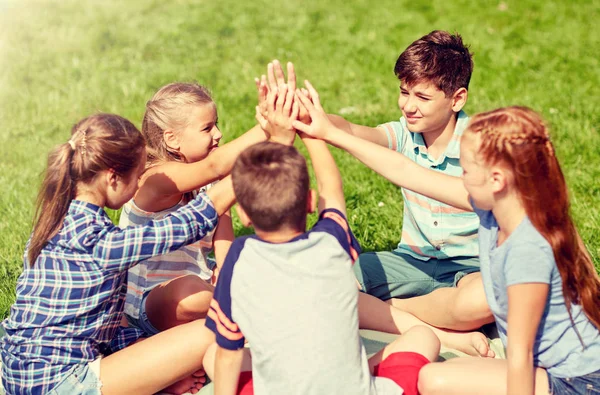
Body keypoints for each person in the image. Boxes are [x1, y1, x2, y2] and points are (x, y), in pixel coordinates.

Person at [297, 102, 600, 393]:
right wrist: (329, 133)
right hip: (548, 370)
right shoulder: (495, 210)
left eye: (465, 172)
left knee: (435, 381)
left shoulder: (526, 251)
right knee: (432, 377)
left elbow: (519, 356)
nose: (461, 179)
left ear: (496, 180)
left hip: (575, 382)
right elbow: (407, 172)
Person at [204, 83, 441, 395]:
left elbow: (229, 354)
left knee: (212, 356)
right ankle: (364, 370)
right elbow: (334, 191)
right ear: (310, 201)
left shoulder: (238, 257)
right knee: (425, 338)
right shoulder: (331, 243)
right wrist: (312, 134)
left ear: (244, 216)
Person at [0, 113, 236, 395]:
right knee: (210, 330)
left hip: (20, 371)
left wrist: (145, 354)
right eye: (137, 177)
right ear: (112, 177)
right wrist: (242, 175)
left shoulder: (54, 221)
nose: (139, 184)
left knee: (154, 344)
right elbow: (183, 225)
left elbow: (84, 324)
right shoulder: (99, 242)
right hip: (58, 384)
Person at [326, 30, 493, 331]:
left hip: (472, 267)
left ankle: (393, 311)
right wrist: (314, 117)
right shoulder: (404, 133)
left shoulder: (481, 144)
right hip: (412, 262)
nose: (408, 106)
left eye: (422, 97)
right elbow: (350, 130)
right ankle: (436, 321)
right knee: (330, 278)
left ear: (457, 99)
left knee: (485, 300)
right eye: (404, 92)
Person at [120, 77, 293, 336]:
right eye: (207, 128)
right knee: (190, 293)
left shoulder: (205, 182)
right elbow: (216, 166)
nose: (218, 134)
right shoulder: (156, 179)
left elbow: (220, 219)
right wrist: (268, 128)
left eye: (217, 124)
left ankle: (236, 311)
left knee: (264, 261)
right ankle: (251, 314)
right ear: (172, 139)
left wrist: (225, 270)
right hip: (150, 302)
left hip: (204, 284)